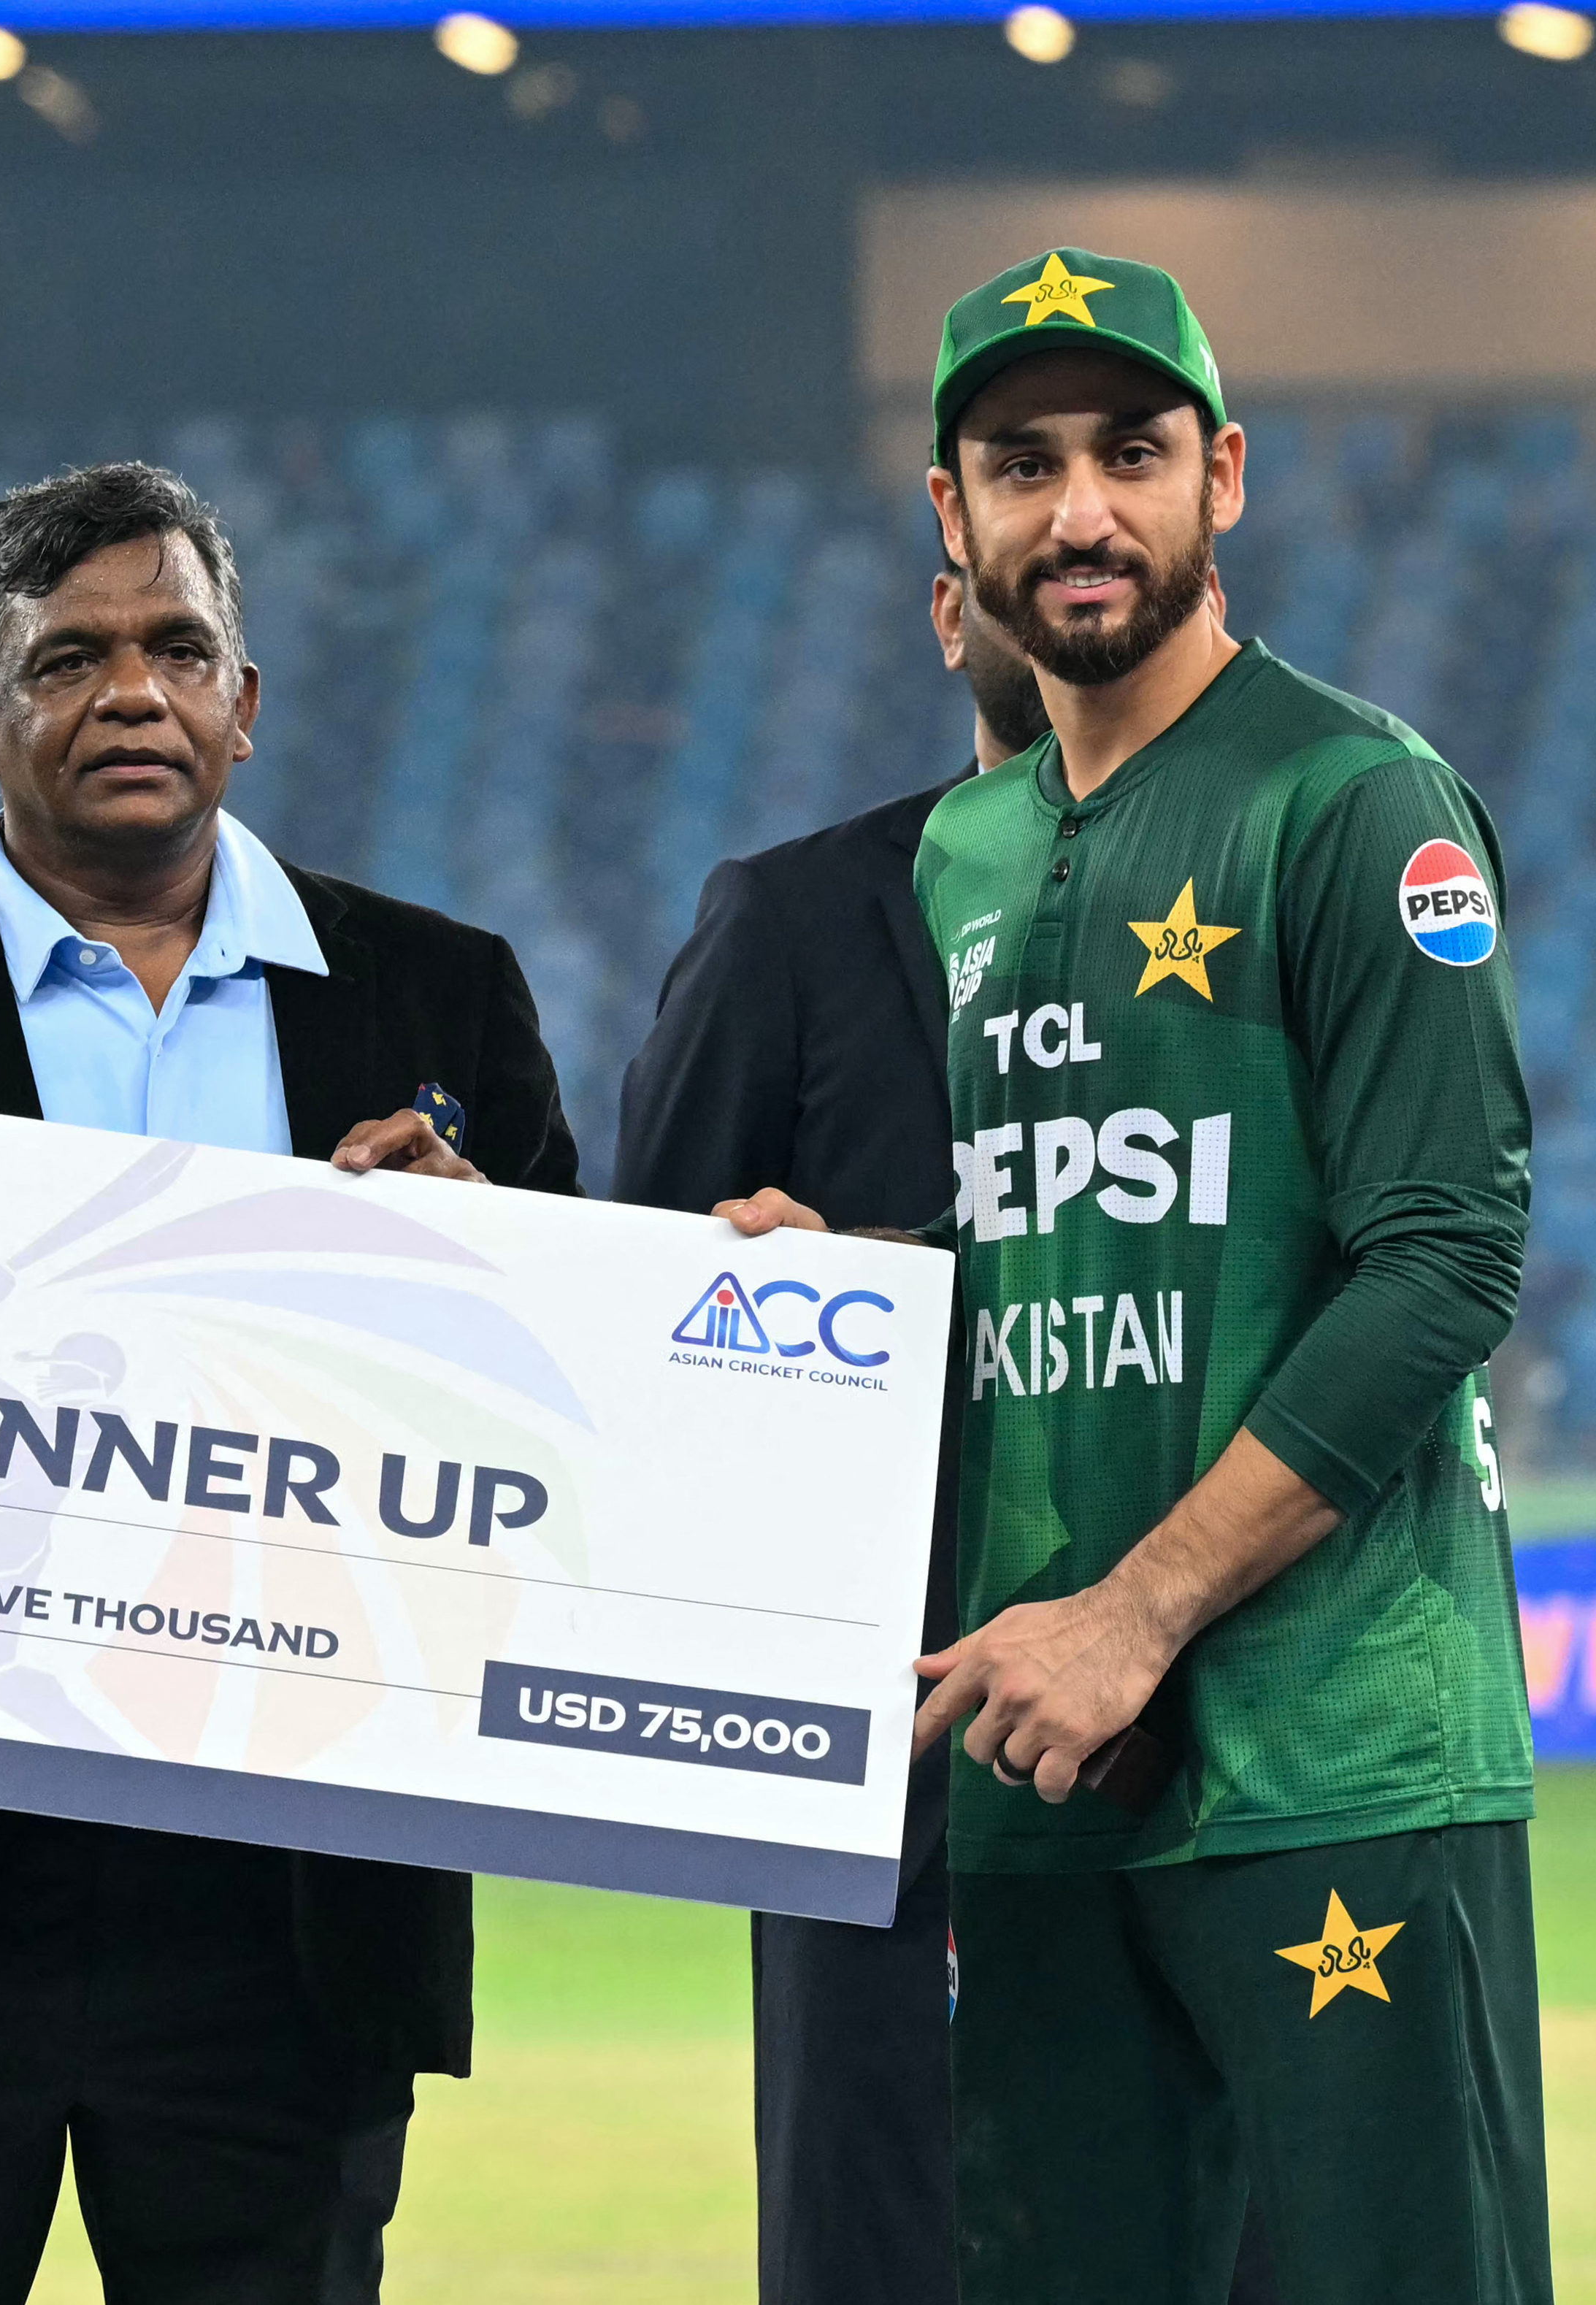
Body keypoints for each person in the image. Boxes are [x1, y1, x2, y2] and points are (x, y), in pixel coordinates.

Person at [726, 248, 1543, 2304]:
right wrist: (867, 1279)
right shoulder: (973, 854)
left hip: (1333, 1759)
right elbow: (1076, 1227)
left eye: (1131, 453)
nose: (1080, 508)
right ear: (951, 516)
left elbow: (1446, 1254)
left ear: (1222, 476)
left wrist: (1136, 1610)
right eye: (1022, 465)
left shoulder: (1360, 802)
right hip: (1052, 1767)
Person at [0, 461, 580, 2304]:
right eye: (68, 659)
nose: (134, 693)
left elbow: (560, 1420)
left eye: (178, 648)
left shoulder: (440, 996)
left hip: (288, 1903)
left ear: (246, 704)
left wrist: (499, 1266)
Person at [612, 561, 1032, 2305]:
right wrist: (757, 1302)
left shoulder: (1280, 917)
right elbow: (641, 1328)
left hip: (1226, 1748)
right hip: (892, 1766)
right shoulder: (793, 920)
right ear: (946, 611)